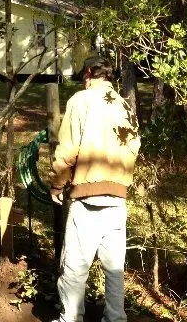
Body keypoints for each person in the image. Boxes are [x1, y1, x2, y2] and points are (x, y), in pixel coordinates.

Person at [48, 55, 141, 322]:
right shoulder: (124, 104)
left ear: (89, 73)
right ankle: (115, 318)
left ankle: (71, 318)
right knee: (114, 270)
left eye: (83, 76)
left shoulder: (80, 101)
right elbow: (134, 146)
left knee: (75, 267)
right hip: (118, 200)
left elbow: (67, 150)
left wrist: (57, 184)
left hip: (87, 199)